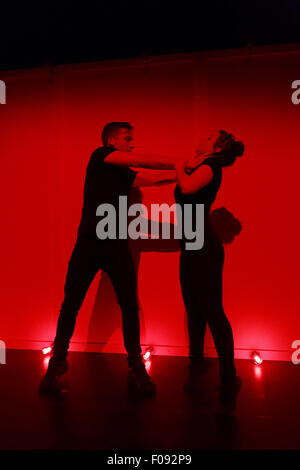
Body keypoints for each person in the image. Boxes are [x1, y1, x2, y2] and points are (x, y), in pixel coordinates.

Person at [39, 122, 176, 396]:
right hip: (89, 244)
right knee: (71, 304)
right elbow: (142, 160)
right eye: (128, 138)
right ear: (111, 142)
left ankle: (136, 365)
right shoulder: (99, 155)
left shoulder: (122, 174)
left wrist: (181, 173)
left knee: (129, 307)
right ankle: (57, 362)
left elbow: (151, 178)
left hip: (115, 245)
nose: (132, 143)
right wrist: (180, 161)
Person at [174, 130, 244, 414]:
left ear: (214, 148)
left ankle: (229, 378)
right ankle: (197, 367)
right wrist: (180, 165)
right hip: (190, 245)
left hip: (203, 247)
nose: (201, 137)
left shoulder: (210, 167)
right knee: (193, 310)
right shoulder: (199, 166)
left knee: (213, 311)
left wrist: (180, 166)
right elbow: (184, 179)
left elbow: (188, 188)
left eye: (207, 137)